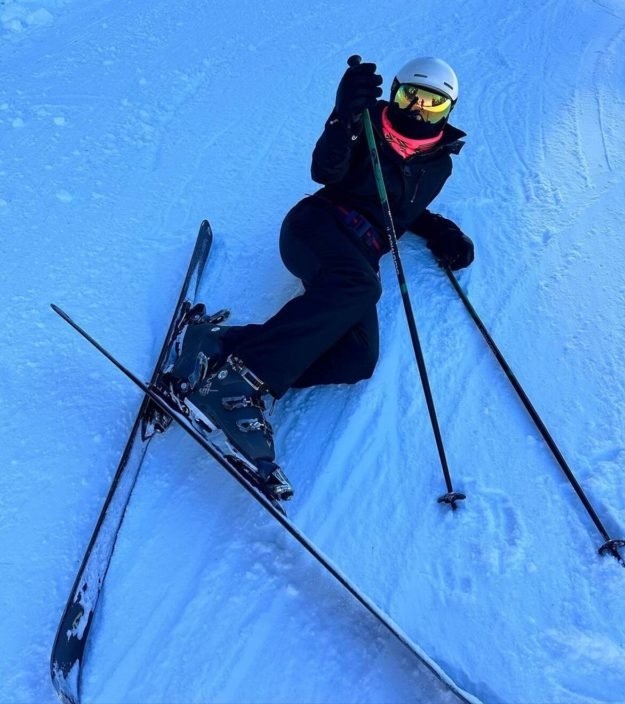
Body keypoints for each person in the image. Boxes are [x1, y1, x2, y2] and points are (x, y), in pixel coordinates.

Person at [166, 56, 474, 500]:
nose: (418, 111)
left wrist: (438, 229)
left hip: (359, 255)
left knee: (358, 359)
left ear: (449, 110)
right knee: (363, 285)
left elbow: (402, 207)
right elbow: (325, 170)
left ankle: (215, 346)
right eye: (411, 96)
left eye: (433, 103)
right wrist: (343, 115)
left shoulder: (440, 164)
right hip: (318, 227)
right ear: (395, 92)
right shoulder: (365, 123)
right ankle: (239, 385)